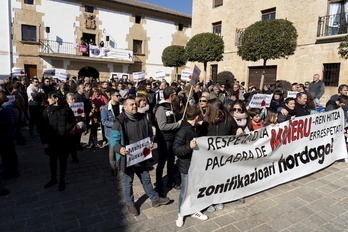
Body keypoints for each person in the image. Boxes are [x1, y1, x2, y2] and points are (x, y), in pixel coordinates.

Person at [110, 98, 170, 216]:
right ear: (125, 107)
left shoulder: (143, 118)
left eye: (135, 104)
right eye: (131, 104)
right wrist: (119, 149)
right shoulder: (119, 122)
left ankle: (154, 199)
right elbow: (113, 141)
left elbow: (148, 133)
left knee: (146, 178)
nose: (134, 106)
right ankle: (130, 203)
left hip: (141, 156)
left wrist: (150, 141)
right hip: (127, 158)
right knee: (128, 182)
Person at [173, 106, 208, 227]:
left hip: (195, 165)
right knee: (185, 190)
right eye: (200, 116)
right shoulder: (183, 130)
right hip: (186, 166)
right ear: (197, 117)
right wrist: (189, 146)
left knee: (194, 189)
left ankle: (193, 210)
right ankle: (181, 213)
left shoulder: (194, 128)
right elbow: (176, 150)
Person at [41, 92, 76, 191]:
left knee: (62, 161)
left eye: (50, 98)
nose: (48, 100)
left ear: (56, 99)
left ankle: (62, 180)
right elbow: (42, 128)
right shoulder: (46, 111)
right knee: (52, 161)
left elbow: (73, 121)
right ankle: (53, 179)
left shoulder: (66, 109)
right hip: (51, 140)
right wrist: (44, 142)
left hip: (63, 140)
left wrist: (66, 129)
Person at [154, 87, 182, 196]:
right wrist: (177, 125)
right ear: (171, 96)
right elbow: (162, 126)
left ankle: (171, 181)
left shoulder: (172, 106)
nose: (176, 96)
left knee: (171, 161)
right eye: (175, 95)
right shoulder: (161, 108)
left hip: (172, 138)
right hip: (164, 140)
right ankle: (159, 186)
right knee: (161, 162)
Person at [101, 89, 123, 176]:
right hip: (111, 132)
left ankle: (120, 164)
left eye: (119, 96)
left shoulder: (122, 106)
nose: (119, 97)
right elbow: (104, 121)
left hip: (121, 130)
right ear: (111, 96)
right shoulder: (106, 108)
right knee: (112, 150)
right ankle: (113, 167)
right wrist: (115, 124)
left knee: (121, 147)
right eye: (117, 96)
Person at [0, 93, 20, 179]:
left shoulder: (5, 109)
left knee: (8, 154)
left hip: (6, 134)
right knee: (8, 154)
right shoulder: (7, 107)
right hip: (7, 134)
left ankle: (11, 171)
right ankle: (10, 170)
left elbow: (9, 122)